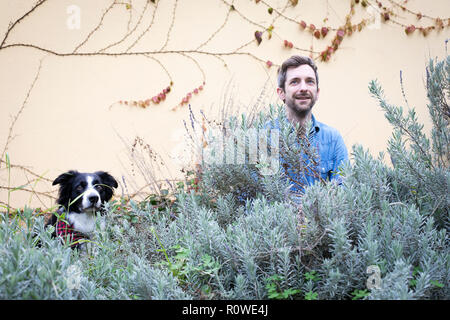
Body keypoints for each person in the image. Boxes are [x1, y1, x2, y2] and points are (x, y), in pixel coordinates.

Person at [272, 55, 349, 194]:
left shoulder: (333, 139)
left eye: (310, 82)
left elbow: (342, 195)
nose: (303, 88)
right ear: (281, 93)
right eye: (294, 82)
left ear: (317, 92)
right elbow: (249, 200)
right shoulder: (262, 138)